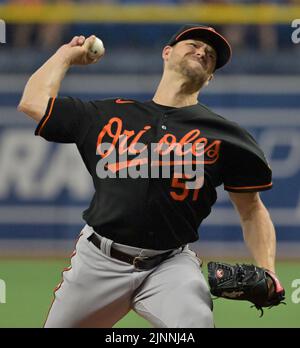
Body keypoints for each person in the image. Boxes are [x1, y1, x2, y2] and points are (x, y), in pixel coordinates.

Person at [18, 24, 280, 328]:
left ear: (210, 78)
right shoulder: (110, 116)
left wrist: (269, 270)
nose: (203, 52)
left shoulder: (228, 137)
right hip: (99, 261)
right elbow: (33, 103)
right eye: (194, 44)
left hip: (170, 265)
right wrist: (64, 56)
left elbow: (252, 211)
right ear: (166, 53)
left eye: (211, 55)